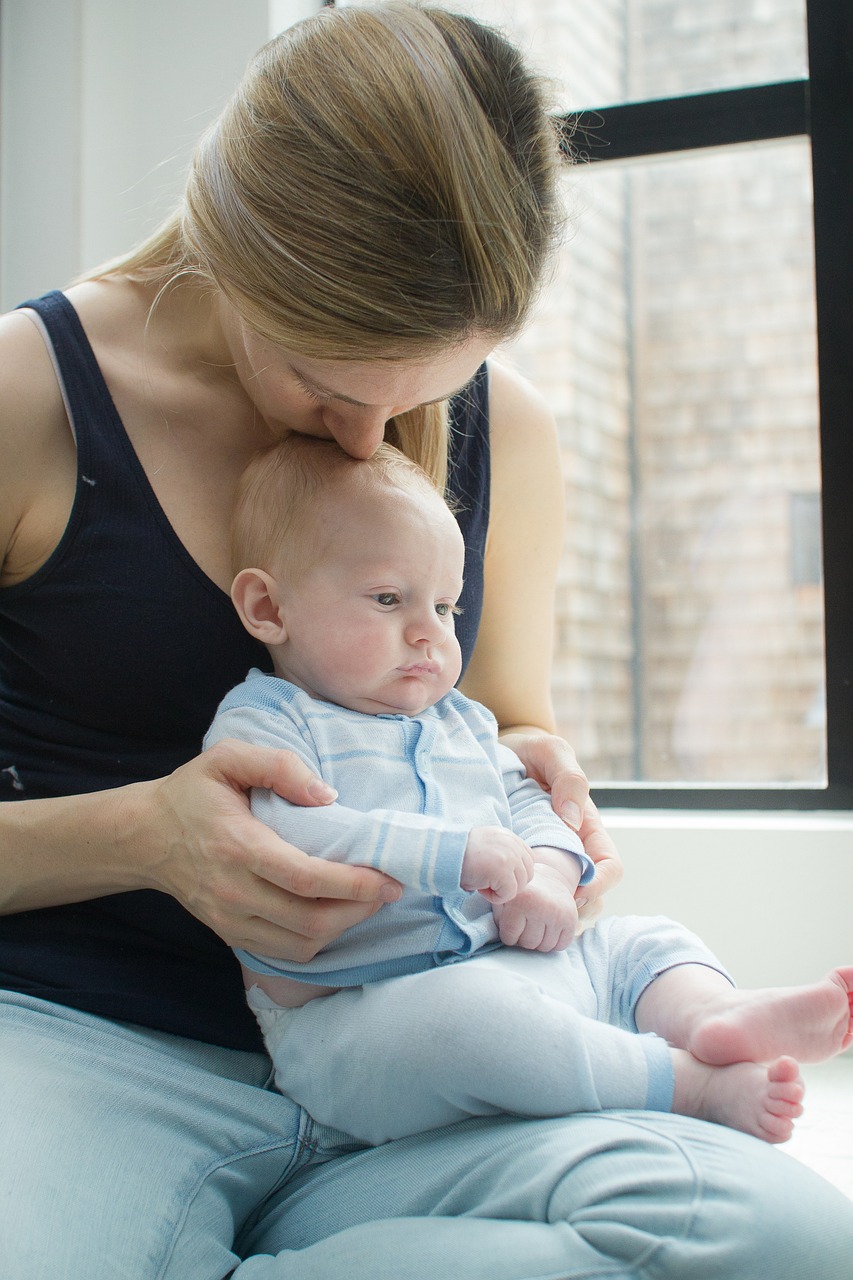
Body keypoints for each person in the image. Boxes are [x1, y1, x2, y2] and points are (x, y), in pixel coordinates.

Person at [1, 3, 851, 1277]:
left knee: (785, 1234)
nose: (374, 443)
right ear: (241, 249)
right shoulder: (26, 400)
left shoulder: (507, 428)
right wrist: (147, 836)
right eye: (332, 389)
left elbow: (500, 717)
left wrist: (544, 779)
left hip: (428, 1059)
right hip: (86, 1046)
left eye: (422, 395)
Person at [207, 433, 853, 1148]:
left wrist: (547, 872)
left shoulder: (457, 720)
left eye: (446, 608)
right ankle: (686, 1082)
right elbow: (289, 835)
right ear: (269, 607)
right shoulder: (267, 720)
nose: (428, 634)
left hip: (523, 959)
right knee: (474, 1025)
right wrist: (453, 853)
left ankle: (713, 1015)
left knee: (644, 943)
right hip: (367, 1023)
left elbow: (523, 802)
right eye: (389, 599)